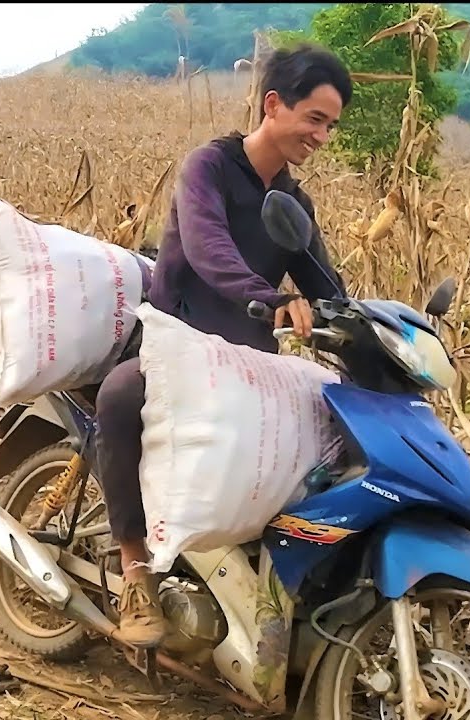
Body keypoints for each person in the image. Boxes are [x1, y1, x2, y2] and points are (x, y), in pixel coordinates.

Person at [92, 43, 352, 649]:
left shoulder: (294, 204)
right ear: (273, 104)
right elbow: (210, 252)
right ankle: (136, 570)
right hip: (177, 345)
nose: (322, 136)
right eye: (314, 119)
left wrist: (375, 327)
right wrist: (269, 298)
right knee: (120, 396)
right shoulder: (207, 167)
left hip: (242, 363)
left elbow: (325, 282)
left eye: (331, 126)